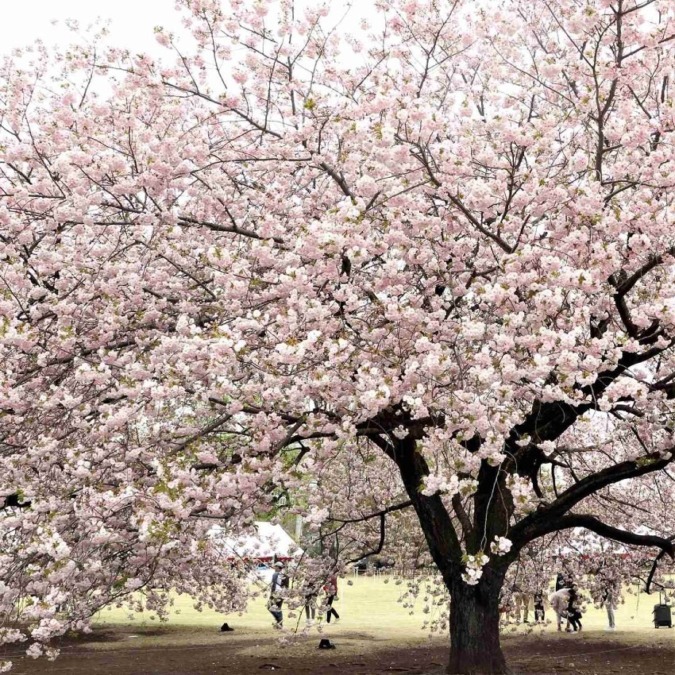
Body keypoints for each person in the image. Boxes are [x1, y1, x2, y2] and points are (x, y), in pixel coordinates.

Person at [268, 561, 288, 628]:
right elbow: (272, 584)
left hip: (279, 593)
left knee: (272, 607)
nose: (274, 567)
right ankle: (279, 622)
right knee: (273, 608)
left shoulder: (283, 575)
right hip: (276, 593)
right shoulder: (276, 574)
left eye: (275, 566)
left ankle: (279, 622)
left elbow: (286, 586)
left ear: (278, 567)